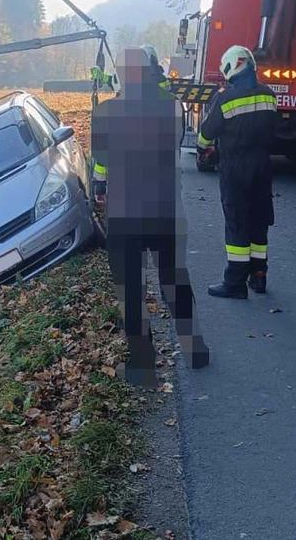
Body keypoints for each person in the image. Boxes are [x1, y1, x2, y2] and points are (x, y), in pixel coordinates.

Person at [92, 46, 209, 385]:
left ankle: (143, 366)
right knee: (174, 280)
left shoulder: (106, 112)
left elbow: (100, 164)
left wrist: (100, 187)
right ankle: (194, 349)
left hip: (125, 215)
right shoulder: (173, 108)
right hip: (166, 211)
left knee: (131, 290)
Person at [197, 45, 278, 298]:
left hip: (236, 168)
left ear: (232, 67)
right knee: (259, 221)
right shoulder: (269, 95)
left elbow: (206, 135)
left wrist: (204, 150)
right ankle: (259, 275)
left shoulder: (226, 98)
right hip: (263, 166)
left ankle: (234, 283)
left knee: (237, 222)